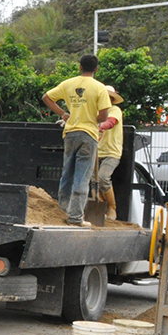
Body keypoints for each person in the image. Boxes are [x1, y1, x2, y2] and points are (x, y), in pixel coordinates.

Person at [42, 54, 111, 227]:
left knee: (67, 173)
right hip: (88, 135)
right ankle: (75, 217)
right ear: (96, 69)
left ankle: (62, 210)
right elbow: (104, 115)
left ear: (80, 67)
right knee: (82, 176)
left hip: (70, 133)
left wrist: (63, 114)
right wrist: (93, 119)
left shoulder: (68, 84)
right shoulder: (100, 88)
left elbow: (46, 98)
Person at [95, 85, 125, 217]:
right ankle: (99, 211)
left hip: (111, 153)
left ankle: (111, 207)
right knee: (91, 180)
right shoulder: (96, 111)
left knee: (102, 178)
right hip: (96, 152)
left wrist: (99, 126)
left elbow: (111, 122)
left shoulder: (115, 110)